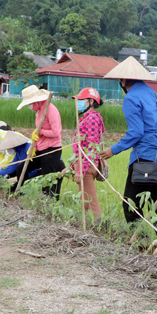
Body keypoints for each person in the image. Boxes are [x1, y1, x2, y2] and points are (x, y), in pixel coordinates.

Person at [99, 57, 157, 230]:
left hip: (145, 158)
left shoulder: (131, 98)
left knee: (131, 205)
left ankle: (141, 243)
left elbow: (137, 132)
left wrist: (113, 150)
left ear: (122, 80)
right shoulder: (153, 94)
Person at [17, 85, 65, 199]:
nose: (29, 106)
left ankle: (50, 205)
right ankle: (20, 194)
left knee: (48, 180)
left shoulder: (50, 109)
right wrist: (34, 145)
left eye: (30, 103)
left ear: (36, 101)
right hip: (41, 149)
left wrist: (41, 132)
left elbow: (56, 132)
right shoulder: (39, 111)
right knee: (21, 169)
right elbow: (39, 132)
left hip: (51, 150)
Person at [66, 87, 106, 224]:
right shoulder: (86, 118)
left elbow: (91, 147)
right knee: (84, 198)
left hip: (86, 165)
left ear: (90, 101)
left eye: (81, 100)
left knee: (91, 199)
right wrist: (72, 166)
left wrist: (81, 170)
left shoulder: (93, 119)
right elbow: (80, 148)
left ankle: (99, 227)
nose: (78, 103)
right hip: (82, 163)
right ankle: (80, 223)